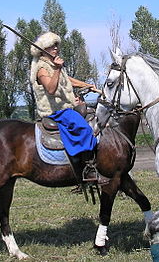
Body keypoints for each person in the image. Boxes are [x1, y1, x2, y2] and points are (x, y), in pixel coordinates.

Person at [30, 31, 105, 186]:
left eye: (57, 45)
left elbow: (67, 80)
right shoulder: (41, 68)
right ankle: (86, 167)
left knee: (90, 113)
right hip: (55, 111)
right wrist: (57, 68)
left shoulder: (53, 65)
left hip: (66, 107)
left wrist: (86, 85)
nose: (56, 48)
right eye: (52, 46)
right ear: (43, 49)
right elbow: (51, 89)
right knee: (83, 128)